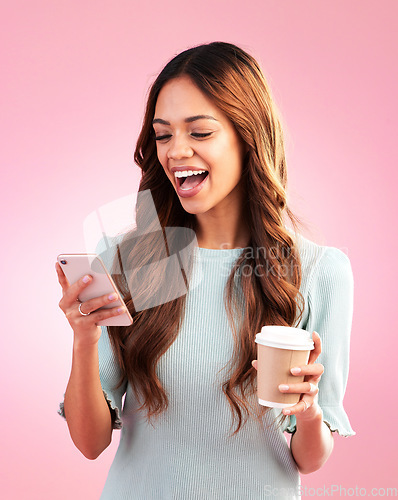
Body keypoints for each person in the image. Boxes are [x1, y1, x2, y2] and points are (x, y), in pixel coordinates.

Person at [56, 42, 355, 499]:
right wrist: (84, 340)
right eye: (162, 135)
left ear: (247, 136)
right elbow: (90, 443)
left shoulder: (318, 271)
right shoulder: (126, 259)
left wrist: (310, 411)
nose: (176, 152)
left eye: (199, 133)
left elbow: (309, 460)